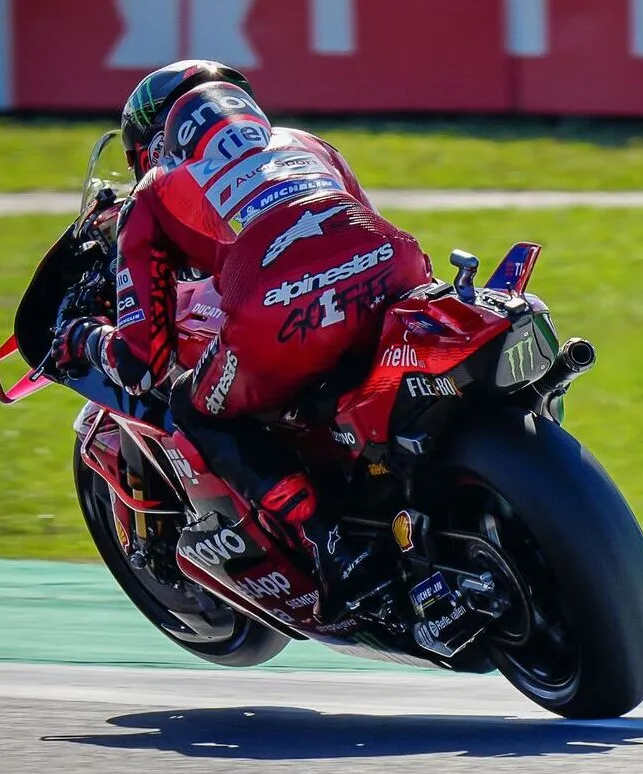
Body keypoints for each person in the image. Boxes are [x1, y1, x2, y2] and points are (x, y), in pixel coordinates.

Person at [52, 63, 434, 622]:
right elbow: (358, 218)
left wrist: (85, 340)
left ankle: (330, 541)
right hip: (393, 264)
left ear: (155, 146)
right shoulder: (304, 143)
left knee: (193, 406)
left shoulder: (155, 193)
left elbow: (142, 360)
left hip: (279, 312)